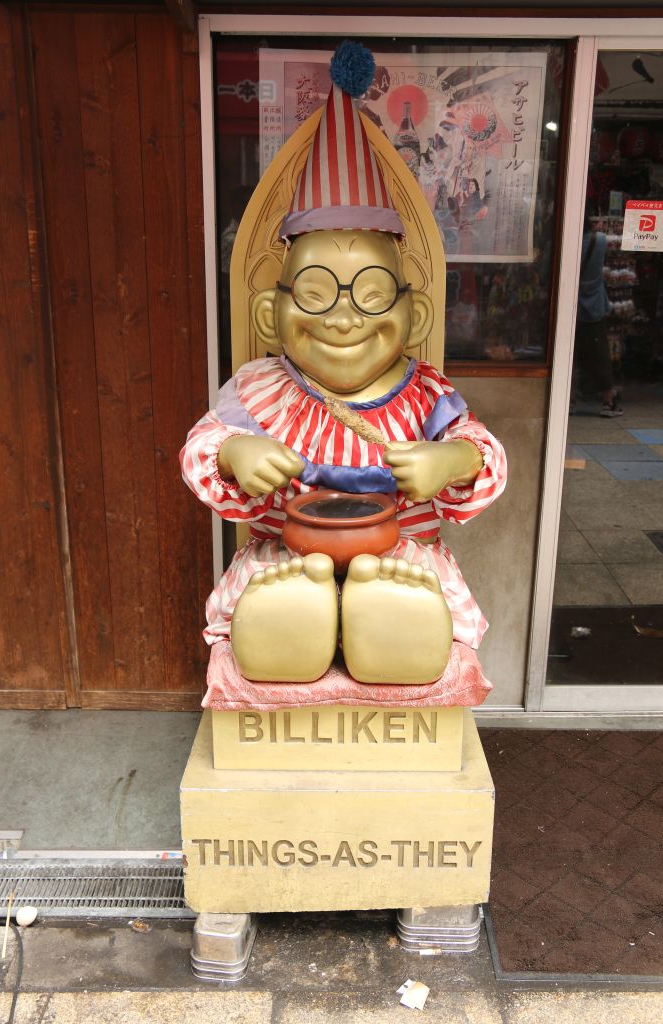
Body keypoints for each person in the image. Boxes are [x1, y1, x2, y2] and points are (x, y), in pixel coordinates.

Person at [180, 43, 507, 688]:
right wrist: (233, 453)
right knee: (282, 590)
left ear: (413, 315)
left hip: (400, 559)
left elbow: (482, 450)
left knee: (394, 590)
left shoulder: (426, 395)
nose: (343, 316)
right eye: (315, 292)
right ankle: (288, 625)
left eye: (373, 294)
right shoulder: (261, 390)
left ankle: (389, 624)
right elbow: (198, 448)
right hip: (284, 556)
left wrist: (452, 460)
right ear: (270, 315)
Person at [575, 212, 623, 416]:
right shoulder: (600, 240)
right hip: (594, 306)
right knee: (599, 353)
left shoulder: (566, 242)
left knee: (571, 354)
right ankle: (608, 400)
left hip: (572, 307)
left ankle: (569, 400)